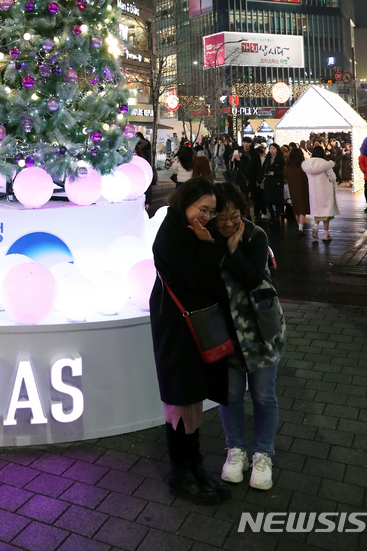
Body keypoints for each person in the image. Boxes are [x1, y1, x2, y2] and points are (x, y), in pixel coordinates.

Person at [150, 178, 232, 504]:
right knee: (180, 396)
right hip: (176, 326)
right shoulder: (170, 236)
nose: (207, 217)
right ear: (186, 203)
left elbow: (209, 281)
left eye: (211, 212)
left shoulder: (192, 232)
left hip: (192, 324)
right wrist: (207, 244)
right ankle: (180, 473)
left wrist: (206, 242)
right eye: (203, 209)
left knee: (192, 395)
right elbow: (199, 282)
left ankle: (194, 466)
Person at [211, 184, 285, 491]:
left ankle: (263, 453)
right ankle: (236, 449)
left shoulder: (256, 236)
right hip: (224, 331)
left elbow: (253, 278)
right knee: (229, 395)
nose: (228, 223)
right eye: (221, 217)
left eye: (235, 216)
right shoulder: (206, 239)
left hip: (260, 330)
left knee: (263, 395)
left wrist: (231, 251)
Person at [301, 146, 339, 241]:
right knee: (326, 212)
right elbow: (332, 177)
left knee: (317, 210)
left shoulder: (307, 164)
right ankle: (326, 233)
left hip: (313, 190)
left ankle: (315, 226)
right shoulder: (325, 164)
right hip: (325, 190)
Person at [284, 148, 310, 235]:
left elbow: (285, 176)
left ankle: (299, 225)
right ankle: (300, 227)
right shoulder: (303, 165)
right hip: (303, 188)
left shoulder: (287, 166)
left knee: (296, 207)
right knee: (302, 207)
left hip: (292, 188)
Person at [262, 143, 285, 226]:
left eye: (273, 149)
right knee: (268, 200)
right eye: (270, 149)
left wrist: (275, 173)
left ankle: (277, 217)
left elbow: (283, 171)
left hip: (277, 182)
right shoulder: (267, 159)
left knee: (277, 200)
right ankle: (272, 215)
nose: (271, 151)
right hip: (268, 181)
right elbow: (263, 169)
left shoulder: (280, 159)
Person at [134, 132, 156, 209]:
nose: (134, 155)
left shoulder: (142, 145)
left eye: (135, 153)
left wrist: (148, 201)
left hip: (140, 195)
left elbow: (147, 184)